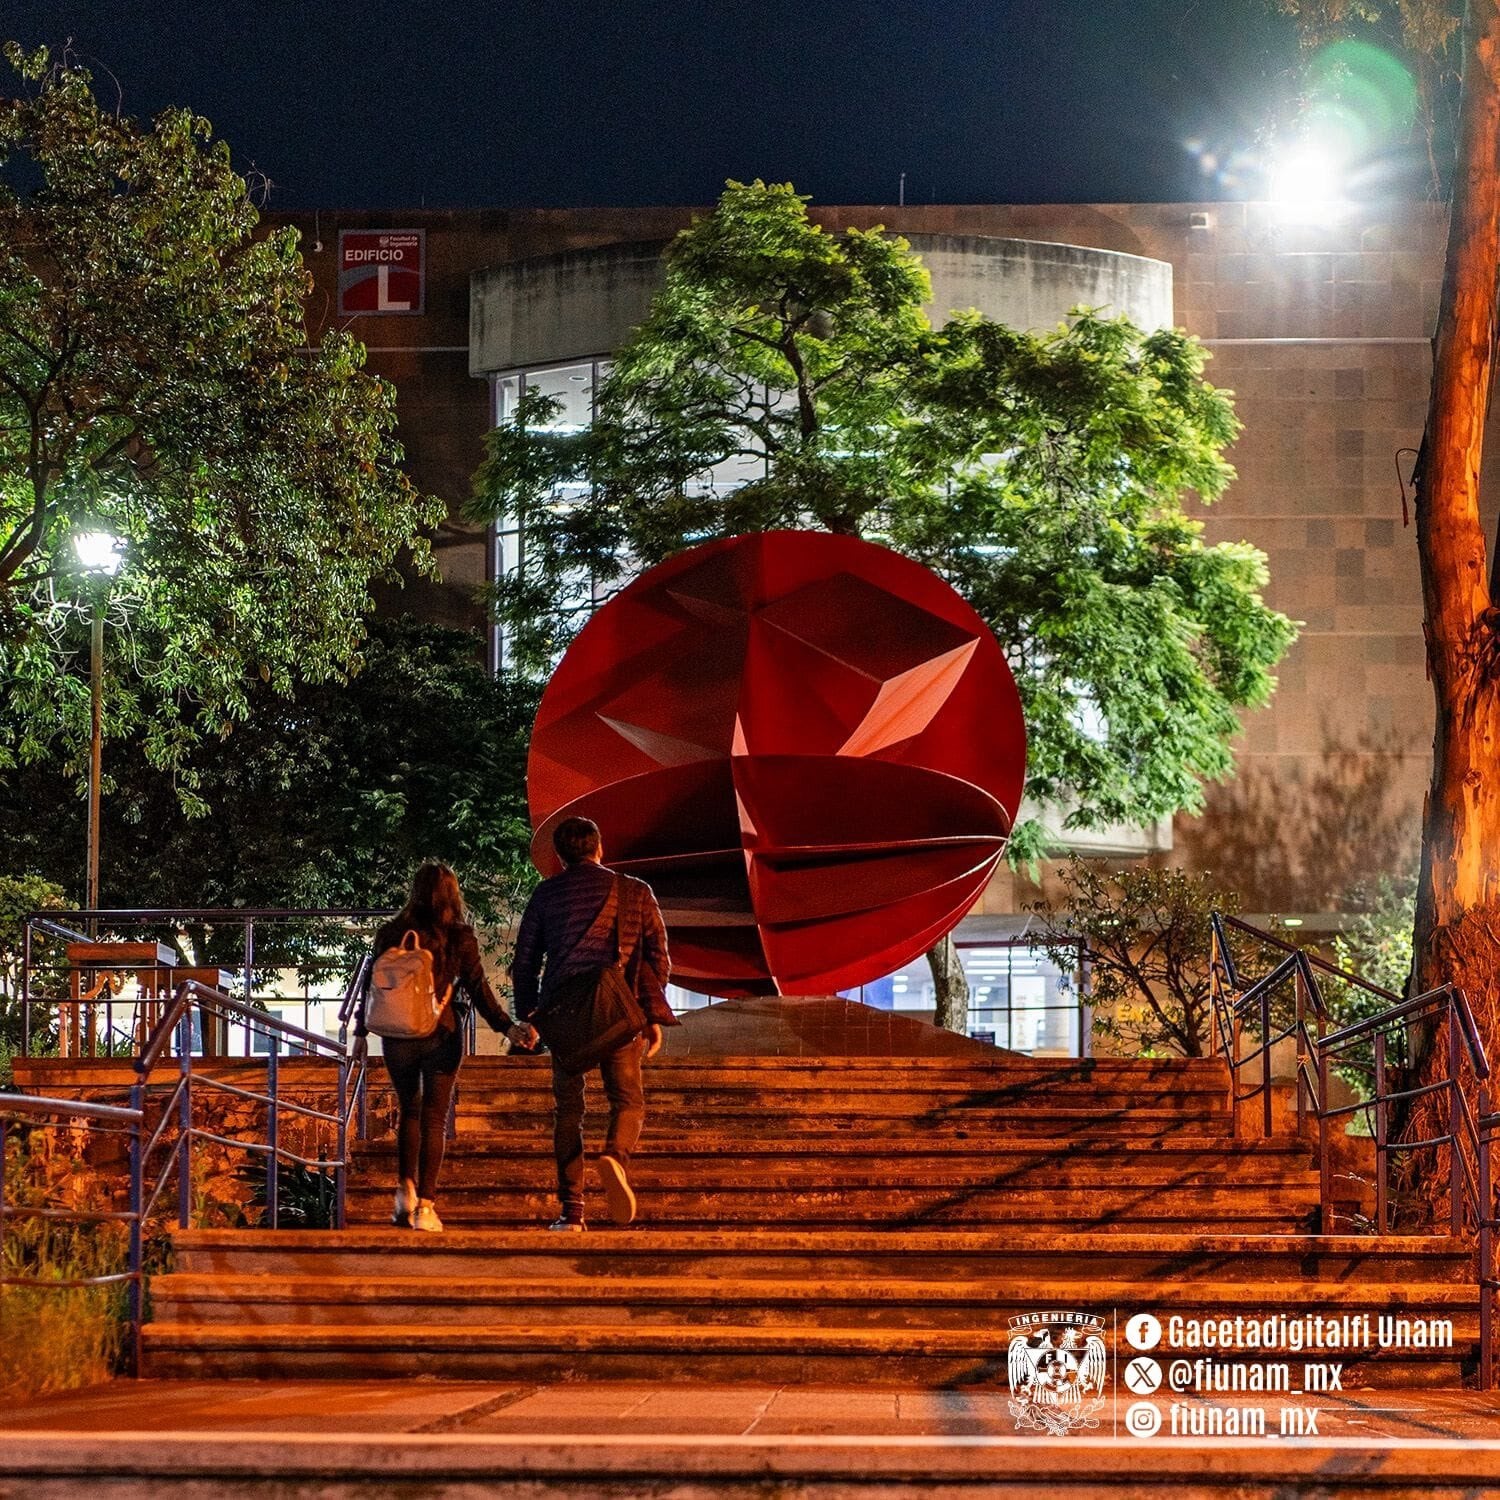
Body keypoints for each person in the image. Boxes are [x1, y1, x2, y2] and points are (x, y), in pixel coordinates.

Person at [510, 816, 676, 1231]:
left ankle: (572, 1212)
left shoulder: (546, 895)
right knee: (628, 1100)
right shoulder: (636, 892)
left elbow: (524, 962)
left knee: (569, 1112)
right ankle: (615, 1157)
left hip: (563, 1019)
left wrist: (530, 1015)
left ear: (560, 856)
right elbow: (659, 958)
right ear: (599, 848)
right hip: (617, 1012)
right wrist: (651, 1013)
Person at [366, 861, 533, 1234]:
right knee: (435, 1117)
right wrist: (508, 1028)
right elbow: (477, 989)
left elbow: (371, 984)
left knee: (408, 1110)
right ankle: (426, 1206)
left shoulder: (391, 932)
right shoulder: (459, 936)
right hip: (441, 1033)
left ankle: (404, 1190)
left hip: (396, 1036)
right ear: (453, 894)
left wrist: (362, 1032)